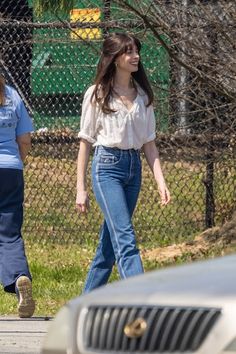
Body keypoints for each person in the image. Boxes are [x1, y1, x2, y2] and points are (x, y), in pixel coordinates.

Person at [76, 32, 170, 293]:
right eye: (128, 51)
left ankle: (85, 305)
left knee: (108, 247)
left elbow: (149, 144)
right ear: (115, 58)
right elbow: (85, 142)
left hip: (133, 169)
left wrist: (161, 181)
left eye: (136, 50)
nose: (135, 56)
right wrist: (81, 189)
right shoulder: (97, 94)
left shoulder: (143, 95)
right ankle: (141, 299)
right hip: (106, 168)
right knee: (126, 238)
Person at [0, 74, 35, 317]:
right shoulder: (12, 95)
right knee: (9, 234)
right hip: (11, 170)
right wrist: (17, 162)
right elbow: (24, 140)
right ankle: (19, 276)